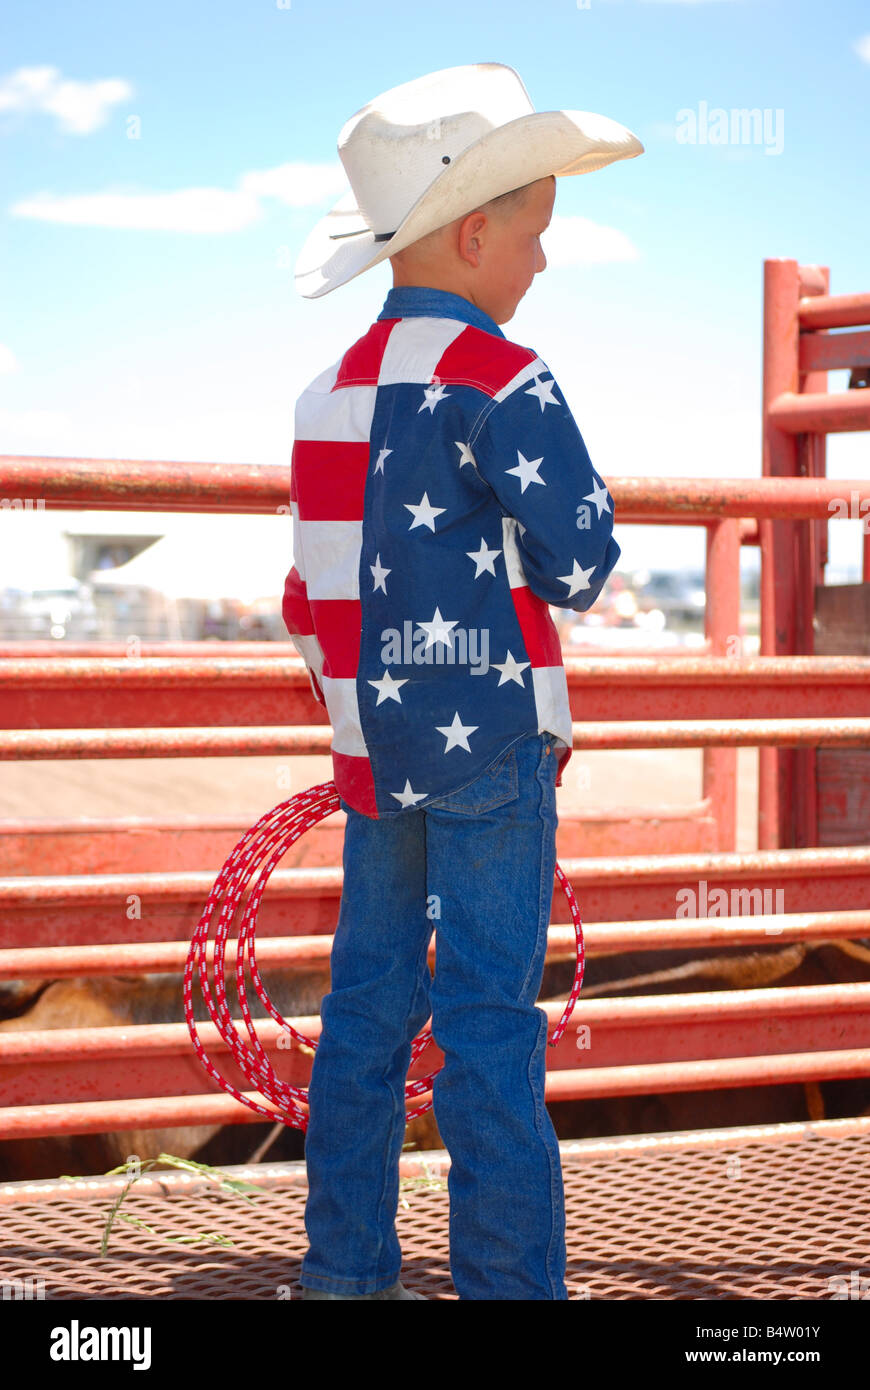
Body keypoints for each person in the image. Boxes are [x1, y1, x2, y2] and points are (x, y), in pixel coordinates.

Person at [282, 62, 643, 1300]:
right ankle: (507, 1286)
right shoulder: (503, 376)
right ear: (478, 230)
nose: (540, 264)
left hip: (373, 760)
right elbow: (585, 560)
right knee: (489, 1023)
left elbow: (306, 598)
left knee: (366, 1008)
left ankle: (345, 1272)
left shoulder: (321, 395)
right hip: (491, 742)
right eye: (535, 235)